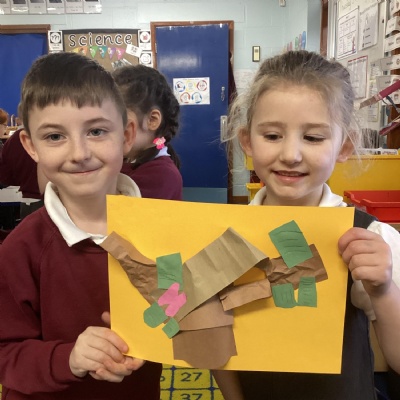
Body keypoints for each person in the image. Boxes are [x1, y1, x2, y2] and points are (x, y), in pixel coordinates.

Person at [215, 50, 400, 400]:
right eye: (272, 135)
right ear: (247, 141)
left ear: (344, 146)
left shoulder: (368, 237)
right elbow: (215, 336)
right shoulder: (228, 236)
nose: (291, 154)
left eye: (313, 138)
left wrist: (383, 291)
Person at [0, 52, 161, 399]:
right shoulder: (20, 250)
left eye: (97, 131)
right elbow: (5, 352)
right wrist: (69, 358)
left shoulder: (162, 231)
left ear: (126, 135)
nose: (79, 153)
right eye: (54, 137)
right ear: (30, 146)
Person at [113, 64, 183, 200]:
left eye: (116, 118)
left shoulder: (162, 176)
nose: (107, 129)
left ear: (152, 120)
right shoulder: (128, 160)